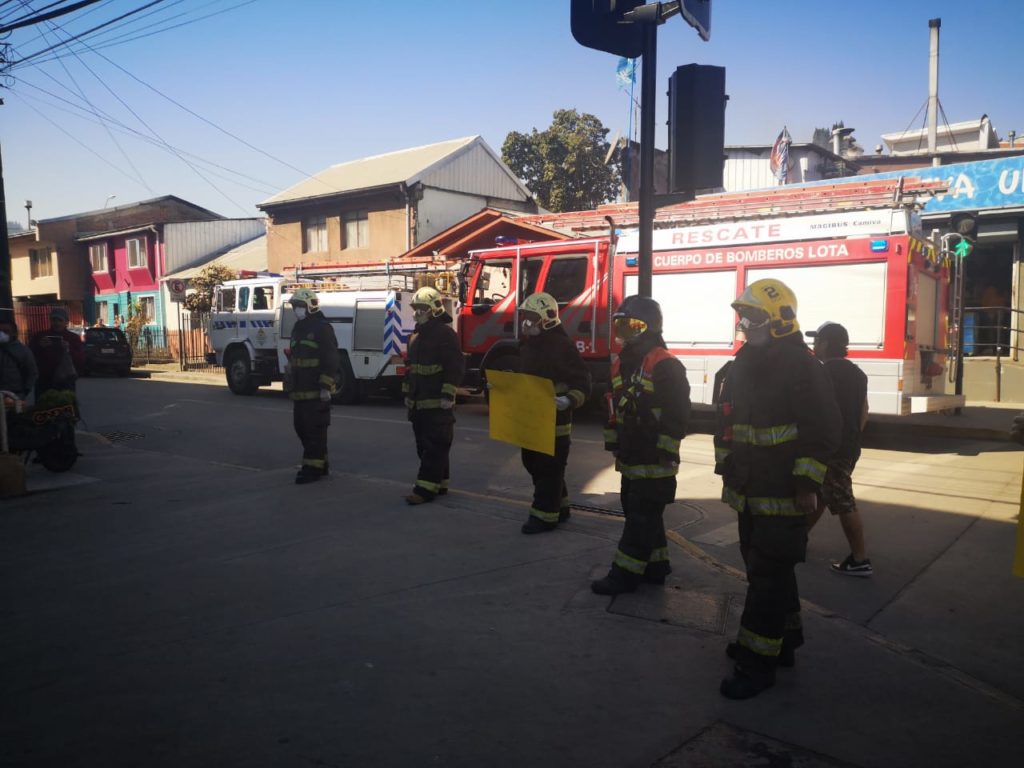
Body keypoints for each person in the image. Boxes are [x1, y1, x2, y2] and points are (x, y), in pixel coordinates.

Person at [714, 279, 840, 700]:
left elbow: (823, 430)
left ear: (781, 320)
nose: (744, 324)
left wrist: (807, 483)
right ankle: (784, 641)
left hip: (784, 492)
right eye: (743, 317)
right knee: (767, 570)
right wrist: (726, 467)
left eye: (753, 317)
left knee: (767, 576)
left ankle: (756, 663)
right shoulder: (745, 362)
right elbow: (727, 420)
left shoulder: (802, 366)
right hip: (750, 488)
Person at [591, 296, 690, 595]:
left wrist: (666, 451)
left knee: (639, 520)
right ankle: (656, 567)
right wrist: (614, 444)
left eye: (631, 326)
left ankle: (623, 576)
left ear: (649, 327)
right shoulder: (622, 364)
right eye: (620, 325)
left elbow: (677, 415)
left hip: (655, 460)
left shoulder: (665, 364)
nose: (624, 333)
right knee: (645, 517)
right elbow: (612, 409)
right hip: (632, 456)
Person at [517, 292, 591, 534]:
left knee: (548, 468)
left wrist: (569, 399)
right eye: (525, 316)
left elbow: (583, 382)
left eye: (531, 317)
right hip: (532, 419)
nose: (526, 322)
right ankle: (561, 505)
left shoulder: (562, 346)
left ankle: (544, 516)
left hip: (555, 422)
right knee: (532, 462)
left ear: (546, 318)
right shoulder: (528, 345)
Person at [805, 322, 872, 577]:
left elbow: (815, 412)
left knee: (843, 501)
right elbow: (864, 411)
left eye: (816, 341)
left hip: (831, 449)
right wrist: (852, 438)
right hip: (849, 447)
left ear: (825, 344)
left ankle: (860, 560)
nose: (814, 345)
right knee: (823, 494)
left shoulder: (822, 373)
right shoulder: (857, 374)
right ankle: (799, 538)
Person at [403, 286, 465, 505]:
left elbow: (454, 366)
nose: (417, 312)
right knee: (425, 446)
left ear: (434, 309)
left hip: (438, 404)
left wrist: (448, 394)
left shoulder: (445, 334)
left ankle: (424, 489)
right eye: (416, 308)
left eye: (422, 308)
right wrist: (407, 393)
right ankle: (440, 483)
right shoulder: (416, 336)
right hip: (418, 404)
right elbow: (410, 368)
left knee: (434, 446)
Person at [287, 288, 340, 485]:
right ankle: (321, 462)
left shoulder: (322, 328)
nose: (297, 310)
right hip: (300, 389)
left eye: (300, 306)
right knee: (301, 427)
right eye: (295, 306)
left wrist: (326, 386)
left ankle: (312, 469)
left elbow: (331, 358)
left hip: (316, 391)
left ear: (310, 306)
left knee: (313, 430)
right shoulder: (298, 327)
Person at [29, 307, 85, 398]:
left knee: (66, 404)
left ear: (66, 322)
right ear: (50, 321)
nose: (57, 323)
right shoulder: (40, 336)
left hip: (66, 379)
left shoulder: (73, 338)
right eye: (54, 320)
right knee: (43, 404)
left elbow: (81, 358)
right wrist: (40, 346)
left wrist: (68, 349)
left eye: (60, 320)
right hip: (44, 379)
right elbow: (29, 355)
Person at [1, 316, 38, 406]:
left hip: (16, 395)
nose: (1, 334)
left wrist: (25, 391)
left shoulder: (23, 351)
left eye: (6, 331)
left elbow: (33, 372)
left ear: (14, 333)